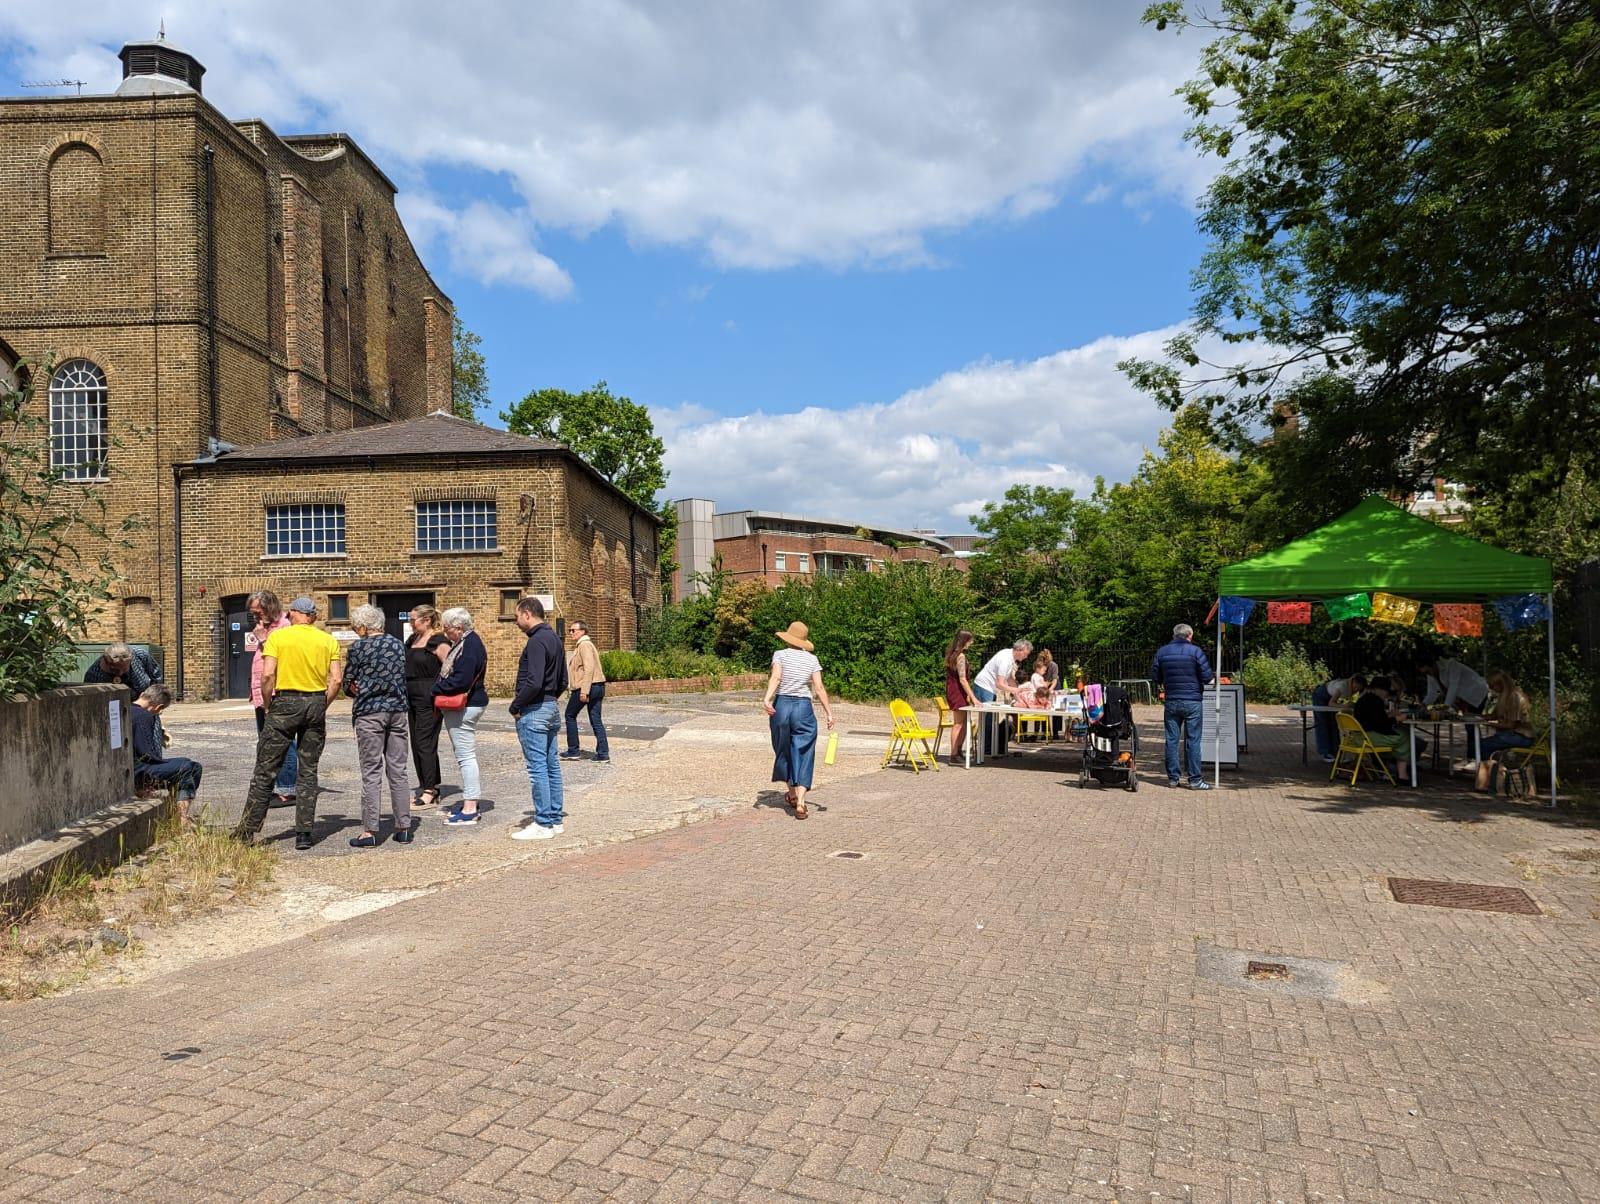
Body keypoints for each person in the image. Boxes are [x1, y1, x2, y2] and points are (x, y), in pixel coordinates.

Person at [232, 596, 342, 850]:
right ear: (312, 617)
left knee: (265, 769)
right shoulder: (327, 640)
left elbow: (268, 674)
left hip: (285, 701)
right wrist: (322, 704)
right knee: (308, 770)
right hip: (315, 701)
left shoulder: (279, 638)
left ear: (293, 613)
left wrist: (269, 704)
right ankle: (304, 833)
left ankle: (247, 831)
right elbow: (336, 680)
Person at [344, 605, 413, 847]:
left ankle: (370, 831)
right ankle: (403, 826)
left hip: (369, 712)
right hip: (397, 710)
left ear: (363, 626)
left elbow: (348, 681)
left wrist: (353, 688)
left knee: (371, 772)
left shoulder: (358, 647)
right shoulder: (397, 644)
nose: (356, 631)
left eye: (356, 627)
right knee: (398, 769)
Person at [762, 621, 836, 820]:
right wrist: (829, 712)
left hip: (783, 706)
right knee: (804, 750)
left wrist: (768, 698)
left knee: (782, 748)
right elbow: (819, 688)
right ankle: (801, 802)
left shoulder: (780, 655)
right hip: (804, 708)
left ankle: (792, 794)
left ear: (788, 638)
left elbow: (776, 678)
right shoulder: (812, 660)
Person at [509, 596, 568, 839]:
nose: (516, 622)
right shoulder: (555, 639)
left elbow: (533, 681)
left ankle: (543, 823)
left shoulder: (536, 642)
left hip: (534, 710)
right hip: (551, 707)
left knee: (538, 768)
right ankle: (554, 818)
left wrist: (516, 705)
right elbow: (563, 680)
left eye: (516, 617)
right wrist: (551, 698)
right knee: (551, 765)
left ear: (527, 614)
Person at [434, 607, 490, 825]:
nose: (446, 634)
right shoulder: (469, 642)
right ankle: (470, 802)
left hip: (466, 705)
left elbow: (461, 680)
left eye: (447, 629)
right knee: (465, 755)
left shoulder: (469, 645)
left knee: (465, 757)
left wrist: (435, 690)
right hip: (471, 703)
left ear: (458, 628)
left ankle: (469, 808)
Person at [245, 590, 297, 807]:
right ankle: (274, 786)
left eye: (259, 612)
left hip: (276, 692)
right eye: (254, 614)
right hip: (261, 693)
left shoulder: (285, 627)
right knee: (267, 742)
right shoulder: (263, 628)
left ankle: (288, 790)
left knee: (283, 741)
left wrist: (264, 640)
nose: (256, 617)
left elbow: (280, 659)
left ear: (271, 607)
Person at [1151, 622, 1216, 789]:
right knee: (1193, 740)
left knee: (1171, 740)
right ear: (1190, 636)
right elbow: (1208, 678)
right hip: (1193, 701)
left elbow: (1156, 677)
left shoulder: (1162, 652)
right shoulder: (1195, 651)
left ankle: (1173, 778)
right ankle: (1195, 780)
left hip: (1172, 701)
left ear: (1174, 635)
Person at [129, 684, 203, 823]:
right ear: (158, 708)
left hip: (134, 767)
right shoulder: (145, 716)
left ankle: (176, 812)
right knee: (188, 767)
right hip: (140, 770)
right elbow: (146, 753)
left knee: (189, 765)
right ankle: (181, 818)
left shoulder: (128, 709)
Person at [404, 604, 450, 808]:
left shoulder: (438, 641)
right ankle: (425, 784)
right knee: (416, 742)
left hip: (429, 697)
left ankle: (431, 789)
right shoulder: (412, 640)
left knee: (425, 742)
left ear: (426, 620)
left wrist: (439, 689)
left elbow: (450, 668)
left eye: (413, 619)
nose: (410, 623)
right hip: (410, 697)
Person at [1474, 670, 1535, 791]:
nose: (1492, 688)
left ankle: (1490, 779)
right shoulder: (1504, 696)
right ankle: (1490, 777)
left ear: (1501, 684)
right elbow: (1495, 715)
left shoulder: (1515, 697)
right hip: (1511, 734)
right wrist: (1476, 716)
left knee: (1480, 746)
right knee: (1478, 746)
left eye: (1493, 686)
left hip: (1521, 736)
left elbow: (1510, 725)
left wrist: (1490, 724)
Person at [972, 638, 1032, 756]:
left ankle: (991, 748)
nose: (1026, 657)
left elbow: (1010, 679)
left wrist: (1018, 695)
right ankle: (987, 750)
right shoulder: (1005, 659)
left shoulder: (1010, 658)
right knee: (988, 719)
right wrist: (1015, 690)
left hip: (989, 688)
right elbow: (1000, 683)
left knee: (992, 718)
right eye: (1026, 654)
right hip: (984, 686)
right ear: (1020, 650)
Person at [561, 620, 609, 763]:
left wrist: (584, 691)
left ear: (582, 631)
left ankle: (573, 751)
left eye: (573, 630)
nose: (571, 633)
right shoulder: (585, 645)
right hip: (597, 686)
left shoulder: (584, 645)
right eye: (570, 630)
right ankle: (603, 754)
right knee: (595, 719)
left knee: (569, 715)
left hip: (588, 686)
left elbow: (589, 668)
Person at [1352, 675, 1414, 780]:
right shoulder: (1376, 701)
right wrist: (1397, 719)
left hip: (1358, 736)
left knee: (1400, 733)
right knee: (1405, 736)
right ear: (1380, 690)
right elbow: (1380, 724)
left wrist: (1389, 715)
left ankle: (1387, 768)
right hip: (1368, 738)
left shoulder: (1365, 699)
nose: (1387, 695)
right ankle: (1403, 775)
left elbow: (1374, 719)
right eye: (1386, 692)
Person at [1311, 673, 1368, 763]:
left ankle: (1336, 751)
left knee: (1333, 724)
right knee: (1323, 723)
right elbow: (1331, 703)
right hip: (1321, 695)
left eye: (1358, 689)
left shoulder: (1351, 688)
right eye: (1355, 687)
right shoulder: (1343, 686)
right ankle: (1326, 752)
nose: (1356, 690)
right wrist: (1343, 706)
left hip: (1330, 695)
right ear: (1353, 682)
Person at [943, 630, 978, 767]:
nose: (972, 643)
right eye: (970, 640)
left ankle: (958, 751)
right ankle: (954, 754)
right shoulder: (961, 656)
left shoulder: (952, 654)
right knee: (958, 723)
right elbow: (963, 679)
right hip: (957, 692)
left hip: (955, 690)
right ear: (964, 641)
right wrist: (973, 697)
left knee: (963, 722)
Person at [1418, 655, 1489, 713]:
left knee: (1472, 721)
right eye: (1424, 673)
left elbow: (1453, 687)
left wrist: (1446, 707)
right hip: (1464, 698)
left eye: (1427, 671)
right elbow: (1432, 693)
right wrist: (1424, 704)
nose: (1428, 674)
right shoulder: (1431, 675)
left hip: (1477, 692)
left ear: (1433, 665)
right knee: (1469, 723)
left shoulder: (1452, 665)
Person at [84, 642, 163, 694]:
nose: (121, 673)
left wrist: (154, 697)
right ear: (106, 662)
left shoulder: (139, 655)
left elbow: (156, 676)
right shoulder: (93, 675)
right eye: (115, 670)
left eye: (124, 669)